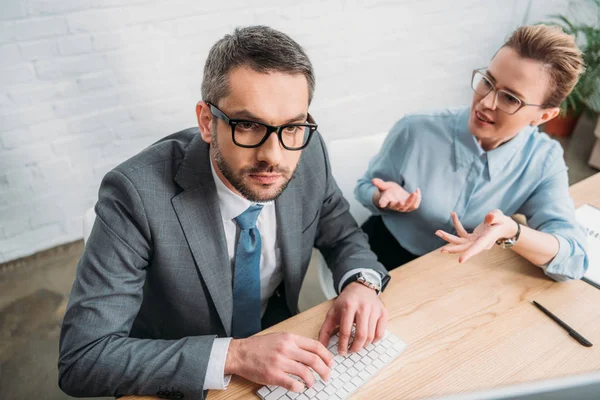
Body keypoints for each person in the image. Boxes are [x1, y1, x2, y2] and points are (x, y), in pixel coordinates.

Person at [58, 26, 390, 399]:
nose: (273, 157)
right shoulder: (134, 195)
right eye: (248, 125)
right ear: (206, 122)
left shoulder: (309, 153)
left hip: (278, 344)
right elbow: (83, 360)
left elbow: (341, 232)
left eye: (293, 127)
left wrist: (362, 283)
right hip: (177, 367)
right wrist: (234, 354)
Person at [355, 25, 588, 280]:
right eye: (487, 81)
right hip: (384, 253)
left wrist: (512, 231)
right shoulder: (416, 128)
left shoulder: (543, 161)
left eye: (510, 98)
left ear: (543, 116)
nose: (486, 102)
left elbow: (573, 260)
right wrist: (382, 197)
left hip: (462, 272)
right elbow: (365, 187)